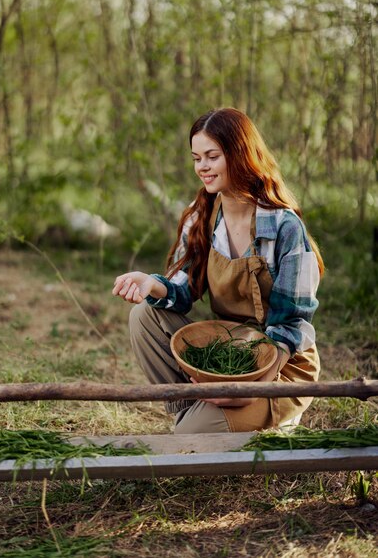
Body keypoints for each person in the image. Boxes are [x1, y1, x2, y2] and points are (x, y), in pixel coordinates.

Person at [112, 108, 323, 434]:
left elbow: (291, 324)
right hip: (227, 350)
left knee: (189, 438)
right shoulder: (203, 216)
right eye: (197, 158)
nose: (202, 168)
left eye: (212, 156)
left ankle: (274, 417)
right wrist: (151, 284)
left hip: (280, 366)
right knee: (143, 314)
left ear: (240, 154)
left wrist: (248, 390)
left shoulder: (284, 226)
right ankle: (194, 410)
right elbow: (182, 292)